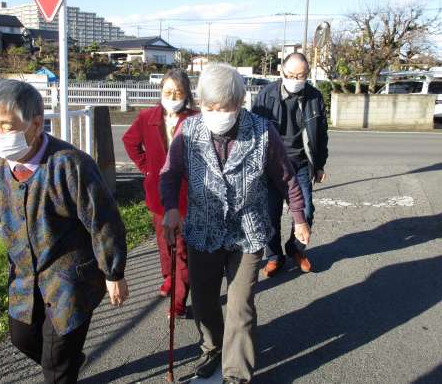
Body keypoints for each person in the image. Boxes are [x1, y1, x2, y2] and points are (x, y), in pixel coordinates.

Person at [0, 80, 129, 384]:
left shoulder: (70, 165)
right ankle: (67, 360)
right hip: (24, 278)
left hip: (69, 280)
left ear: (36, 124)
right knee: (22, 338)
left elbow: (104, 222)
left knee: (56, 363)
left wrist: (113, 273)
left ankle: (63, 365)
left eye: (6, 126)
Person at [160, 64, 310, 384]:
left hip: (247, 231)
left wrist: (299, 217)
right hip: (203, 229)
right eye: (210, 107)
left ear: (241, 101)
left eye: (225, 108)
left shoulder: (262, 132)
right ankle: (212, 347)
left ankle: (236, 374)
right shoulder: (188, 131)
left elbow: (286, 178)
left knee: (240, 306)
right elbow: (169, 174)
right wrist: (171, 209)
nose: (217, 114)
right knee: (204, 300)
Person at [122, 69, 197, 318]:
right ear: (161, 91)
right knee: (164, 243)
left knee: (180, 248)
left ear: (186, 94)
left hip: (186, 194)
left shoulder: (195, 118)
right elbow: (130, 142)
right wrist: (146, 167)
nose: (173, 97)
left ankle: (179, 301)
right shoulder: (147, 117)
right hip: (157, 192)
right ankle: (169, 278)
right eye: (168, 91)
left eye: (178, 92)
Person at [252, 52, 329, 277]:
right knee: (270, 214)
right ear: (281, 71)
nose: (296, 80)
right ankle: (274, 256)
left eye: (301, 76)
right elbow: (253, 132)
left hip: (301, 163)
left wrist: (320, 165)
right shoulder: (266, 95)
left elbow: (321, 134)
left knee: (306, 211)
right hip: (271, 165)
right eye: (291, 75)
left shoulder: (314, 97)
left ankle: (295, 249)